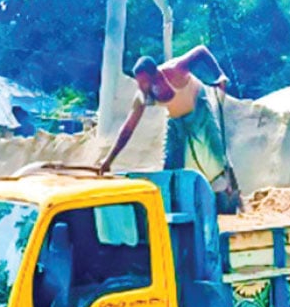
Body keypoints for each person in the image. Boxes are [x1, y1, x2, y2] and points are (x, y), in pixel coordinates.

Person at [97, 46, 241, 213]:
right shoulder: (143, 96)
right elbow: (128, 128)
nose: (142, 87)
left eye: (145, 82)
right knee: (171, 162)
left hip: (198, 106)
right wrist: (109, 160)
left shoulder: (176, 70)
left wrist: (219, 75)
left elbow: (201, 51)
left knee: (216, 153)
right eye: (139, 83)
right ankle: (175, 203)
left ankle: (233, 197)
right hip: (175, 119)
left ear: (156, 75)